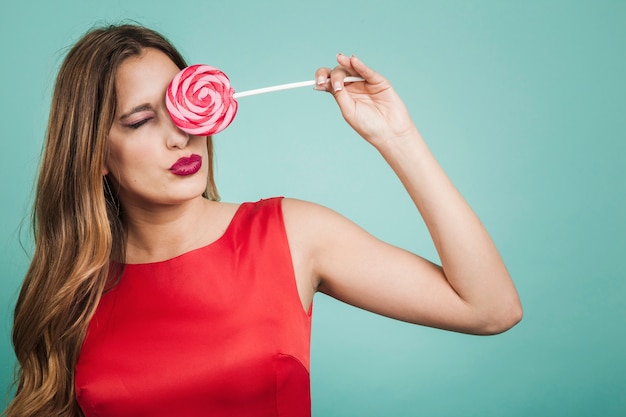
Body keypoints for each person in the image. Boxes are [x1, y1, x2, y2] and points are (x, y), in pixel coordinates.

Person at [4, 24, 522, 417]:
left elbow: (489, 308)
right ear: (94, 152)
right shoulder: (71, 287)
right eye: (141, 120)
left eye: (183, 109)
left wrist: (397, 137)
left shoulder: (290, 235)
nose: (179, 137)